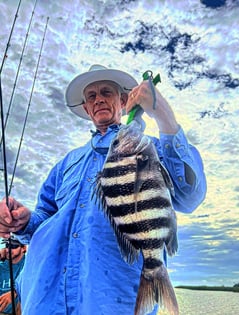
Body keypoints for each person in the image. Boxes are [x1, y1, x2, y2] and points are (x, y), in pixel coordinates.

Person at [0, 64, 207, 315]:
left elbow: (190, 196)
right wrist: (23, 222)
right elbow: (43, 218)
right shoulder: (66, 163)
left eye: (106, 92)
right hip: (45, 300)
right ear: (86, 109)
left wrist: (164, 116)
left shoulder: (148, 149)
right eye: (92, 96)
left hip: (113, 301)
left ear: (122, 100)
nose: (99, 100)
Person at [0, 237, 26, 315]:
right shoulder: (1, 266)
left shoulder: (30, 265)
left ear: (23, 248)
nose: (8, 250)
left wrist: (15, 292)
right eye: (7, 246)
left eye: (13, 246)